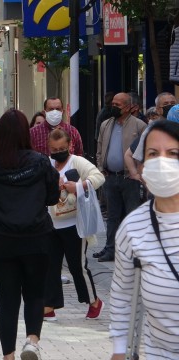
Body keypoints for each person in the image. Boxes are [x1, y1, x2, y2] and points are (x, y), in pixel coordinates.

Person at [0, 109, 59, 360]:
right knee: (35, 294)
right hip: (38, 239)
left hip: (2, 242)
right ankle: (32, 341)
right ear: (25, 132)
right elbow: (53, 197)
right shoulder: (41, 162)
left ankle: (7, 356)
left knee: (7, 303)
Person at [109, 120, 179, 360]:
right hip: (160, 353)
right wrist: (119, 350)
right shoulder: (133, 227)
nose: (163, 161)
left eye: (173, 153)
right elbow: (123, 295)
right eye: (153, 154)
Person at [43, 129, 105, 322]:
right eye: (54, 149)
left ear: (69, 146)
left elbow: (98, 177)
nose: (58, 151)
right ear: (49, 148)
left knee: (77, 266)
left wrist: (78, 186)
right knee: (50, 266)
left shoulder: (77, 162)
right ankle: (49, 306)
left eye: (62, 148)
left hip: (74, 224)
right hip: (51, 224)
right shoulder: (47, 163)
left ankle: (93, 301)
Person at [94, 92, 147, 262]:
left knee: (133, 215)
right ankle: (110, 249)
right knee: (112, 216)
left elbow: (144, 152)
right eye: (113, 104)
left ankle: (134, 251)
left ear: (128, 107)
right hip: (110, 177)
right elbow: (100, 148)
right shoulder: (105, 124)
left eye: (117, 105)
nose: (113, 107)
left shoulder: (140, 126)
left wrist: (138, 174)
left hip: (129, 179)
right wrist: (101, 168)